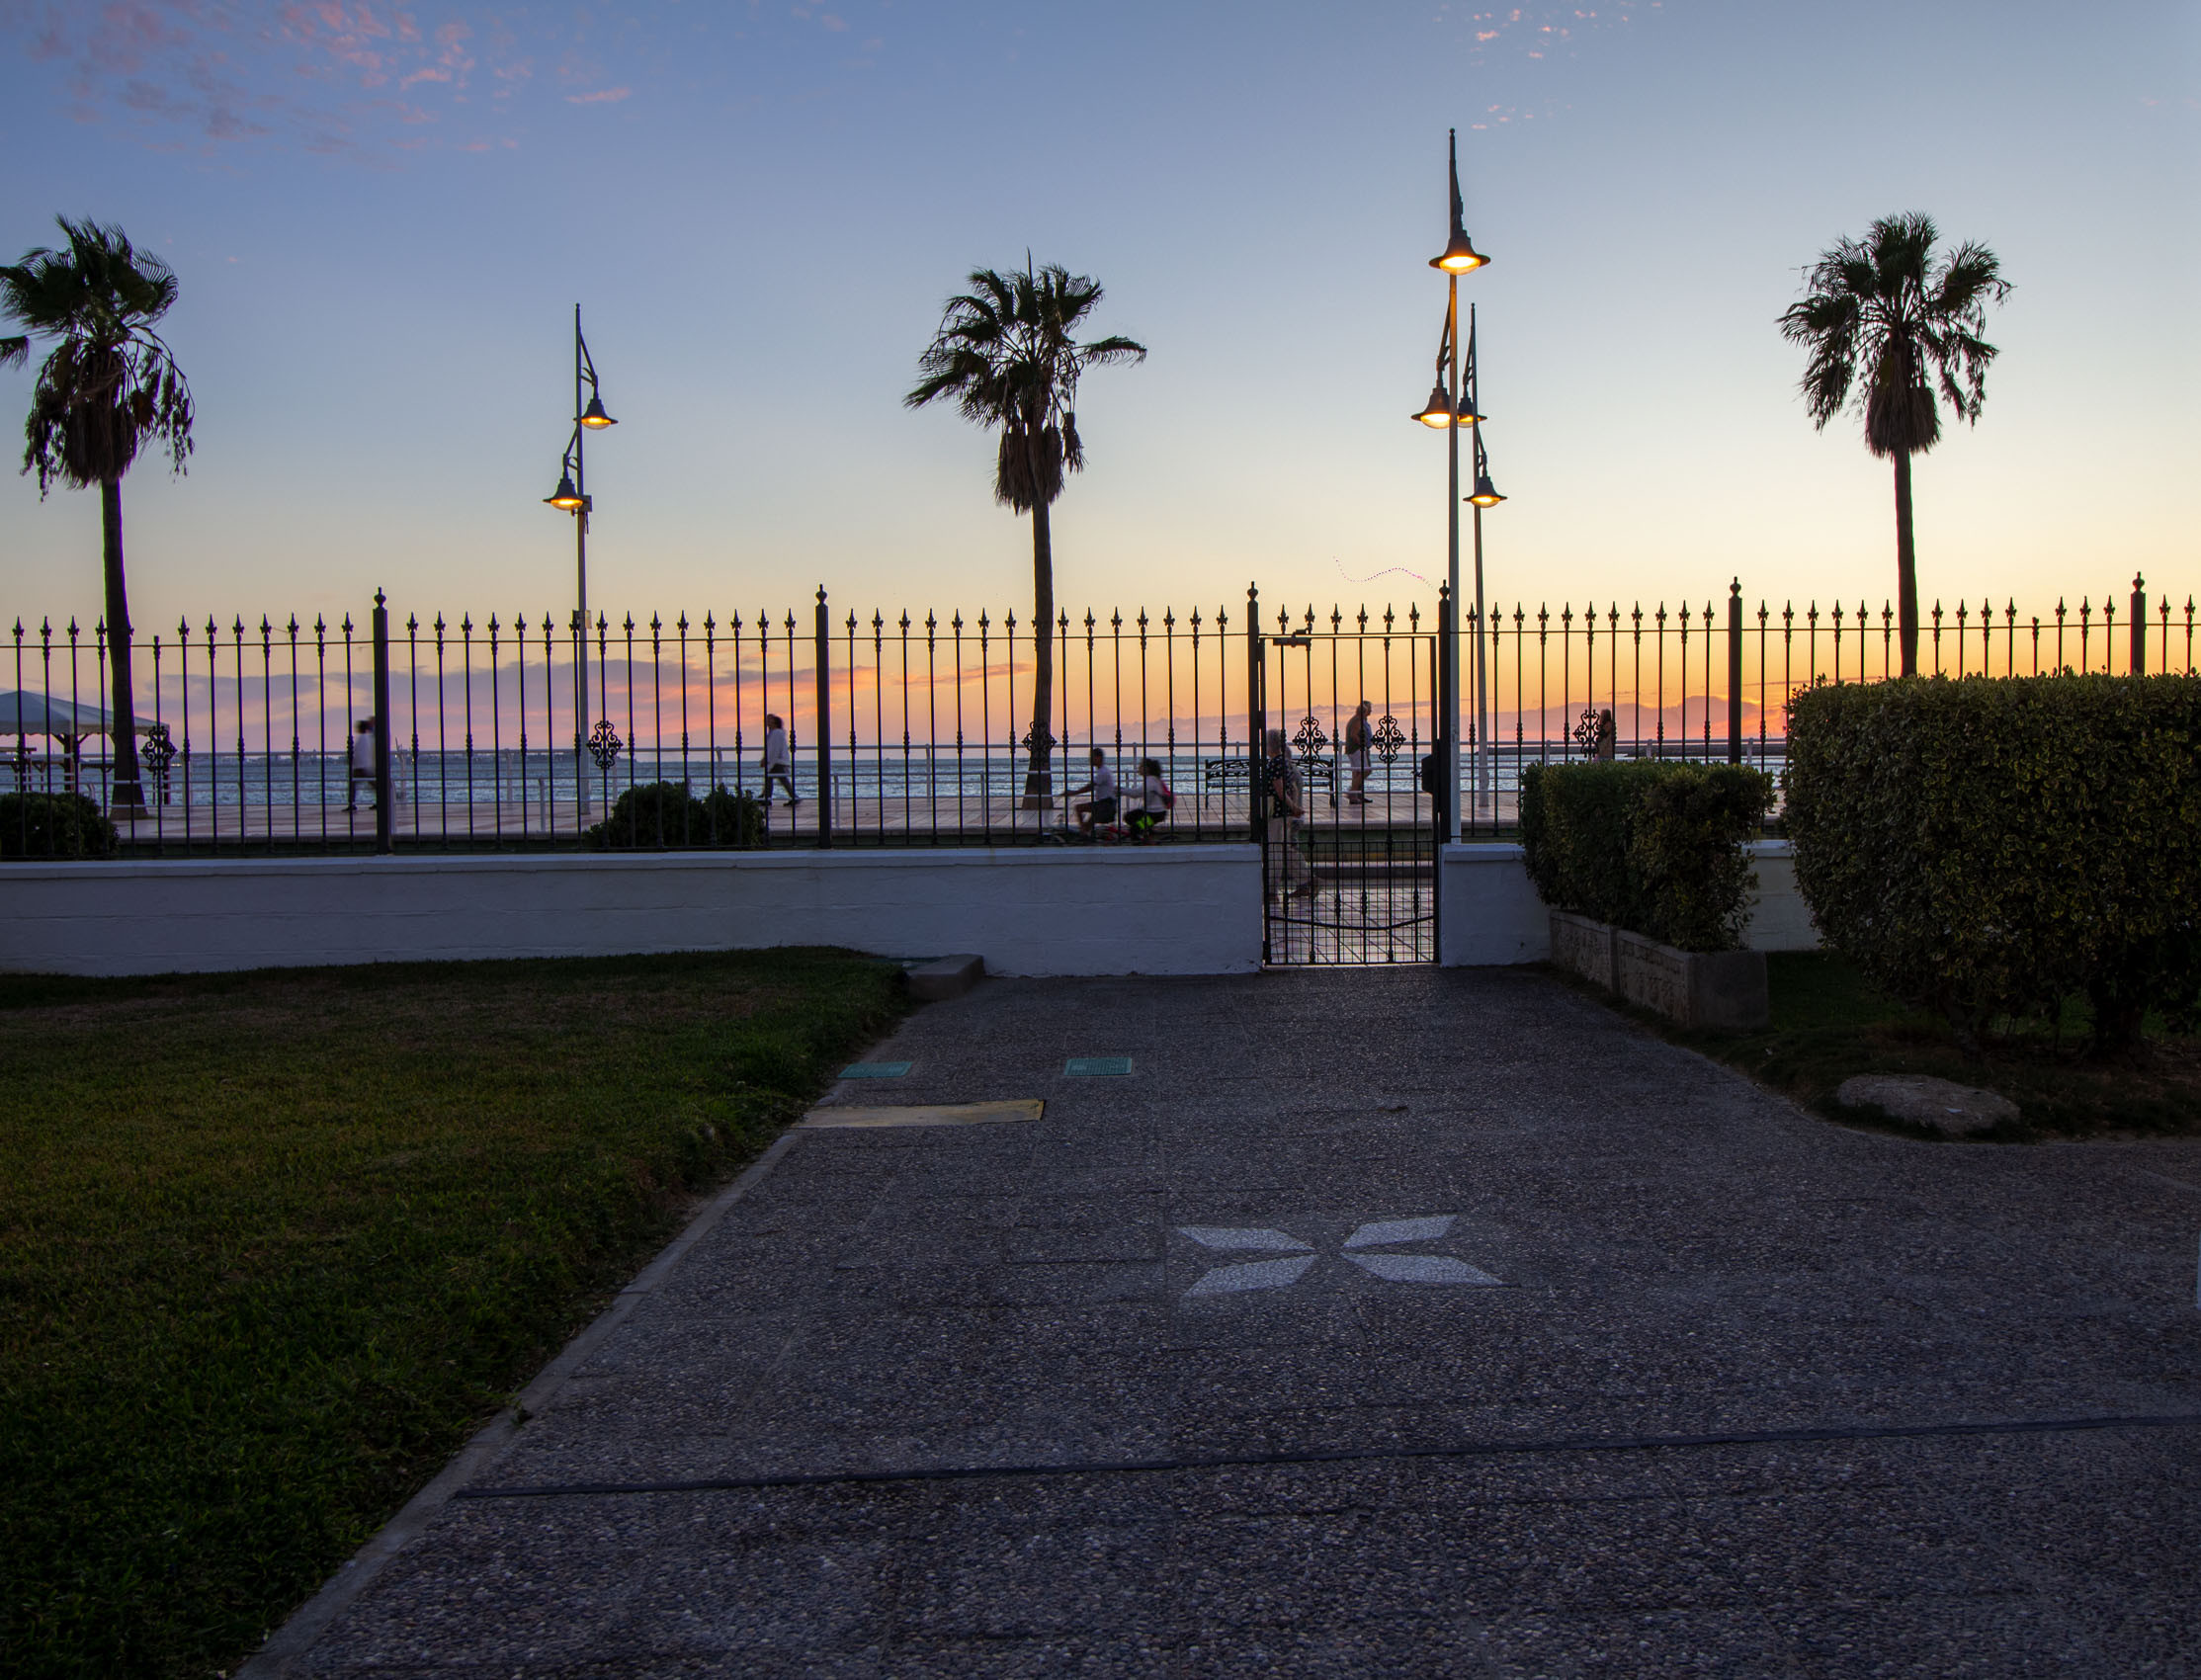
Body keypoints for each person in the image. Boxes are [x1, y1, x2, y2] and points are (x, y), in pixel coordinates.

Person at [1263, 727, 1315, 898]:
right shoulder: (1286, 764)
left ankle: (1271, 890)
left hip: (1278, 814)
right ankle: (1305, 882)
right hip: (1285, 814)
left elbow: (1280, 790)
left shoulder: (1276, 764)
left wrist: (1293, 808)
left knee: (1275, 850)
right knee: (1286, 849)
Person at [1067, 746, 1118, 836]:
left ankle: (1084, 833)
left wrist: (1073, 792)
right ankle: (1085, 832)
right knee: (1086, 822)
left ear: (1099, 758)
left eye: (1092, 757)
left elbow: (1090, 786)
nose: (1090, 759)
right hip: (1104, 804)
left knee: (1079, 808)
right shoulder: (1103, 771)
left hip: (1105, 805)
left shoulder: (1103, 772)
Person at [1126, 756, 1173, 841]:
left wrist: (1121, 791)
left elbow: (1136, 794)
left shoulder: (1150, 781)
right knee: (1129, 817)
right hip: (1151, 812)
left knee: (1134, 830)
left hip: (1154, 815)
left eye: (1140, 766)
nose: (1138, 768)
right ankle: (1148, 831)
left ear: (1147, 769)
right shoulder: (1153, 779)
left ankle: (1142, 843)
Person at [761, 714, 798, 807]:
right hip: (777, 761)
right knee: (776, 779)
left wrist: (768, 761)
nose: (766, 721)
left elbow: (775, 749)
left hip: (777, 761)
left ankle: (766, 798)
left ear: (774, 722)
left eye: (768, 719)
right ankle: (765, 797)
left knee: (774, 779)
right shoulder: (773, 733)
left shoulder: (776, 733)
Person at [1343, 700, 1374, 805]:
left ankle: (1356, 795)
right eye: (1369, 709)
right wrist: (1362, 745)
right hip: (1357, 749)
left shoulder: (1360, 720)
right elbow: (1354, 735)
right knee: (1365, 771)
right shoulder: (1358, 720)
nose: (1370, 711)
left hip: (1358, 749)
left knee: (1358, 772)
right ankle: (1352, 792)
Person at [347, 717, 378, 811]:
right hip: (366, 766)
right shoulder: (368, 738)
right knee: (373, 784)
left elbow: (357, 753)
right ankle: (381, 801)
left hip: (360, 767)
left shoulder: (362, 738)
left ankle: (351, 804)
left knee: (353, 784)